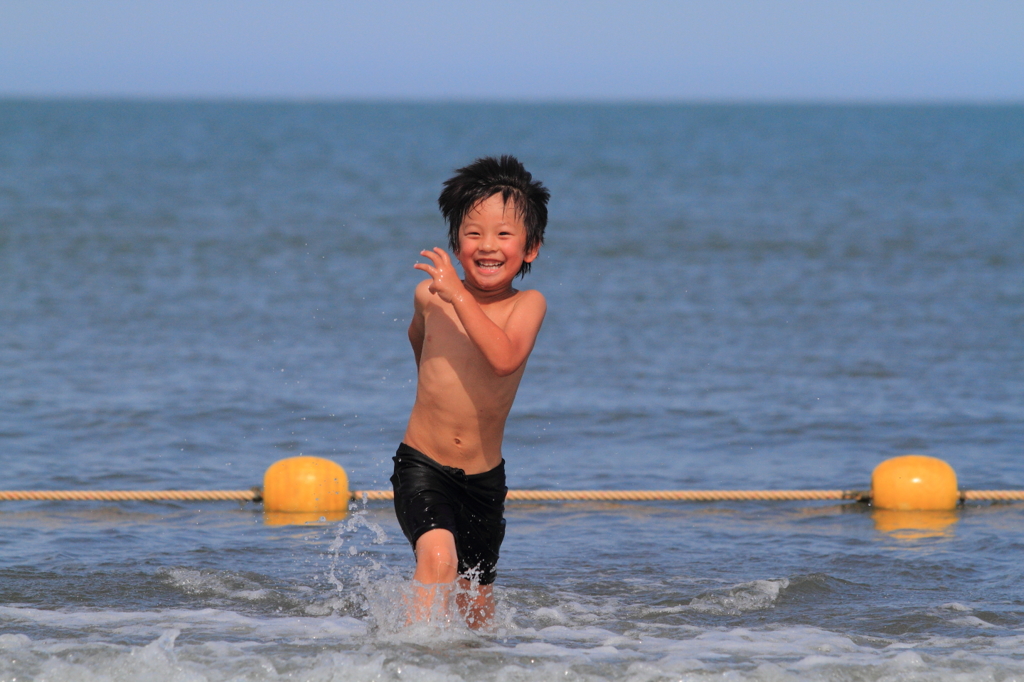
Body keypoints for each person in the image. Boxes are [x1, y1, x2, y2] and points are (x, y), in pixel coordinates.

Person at [390, 155, 549, 628]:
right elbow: (419, 338)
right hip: (423, 465)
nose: (487, 246)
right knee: (438, 559)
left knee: (476, 611)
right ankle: (404, 661)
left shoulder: (528, 305)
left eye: (504, 235)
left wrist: (458, 296)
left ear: (531, 249)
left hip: (484, 482)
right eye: (473, 233)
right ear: (456, 244)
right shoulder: (428, 297)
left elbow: (503, 359)